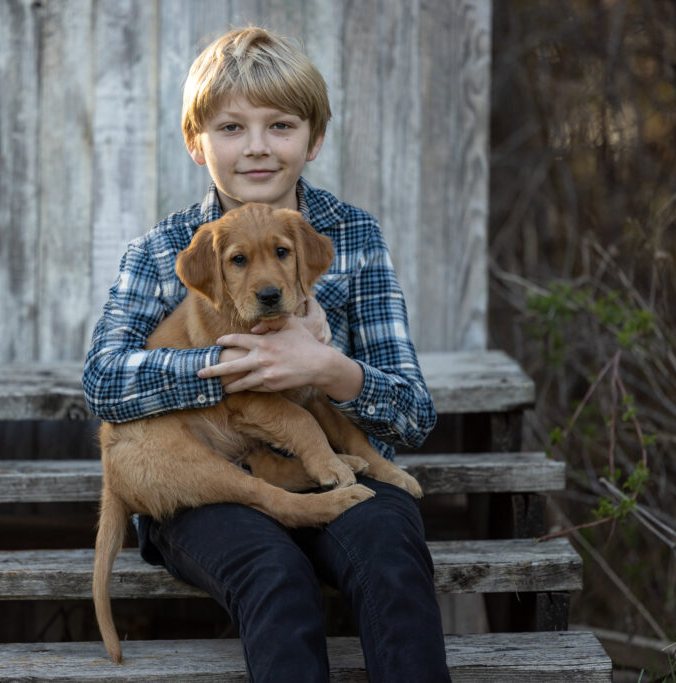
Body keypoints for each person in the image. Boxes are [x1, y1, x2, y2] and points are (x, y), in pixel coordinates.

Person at [82, 26, 450, 682]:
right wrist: (233, 369)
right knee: (274, 574)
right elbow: (104, 383)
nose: (256, 146)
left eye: (280, 125)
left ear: (314, 138)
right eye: (231, 127)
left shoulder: (352, 235)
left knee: (391, 552)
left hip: (334, 467)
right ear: (197, 142)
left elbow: (413, 414)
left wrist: (329, 369)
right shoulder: (163, 248)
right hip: (204, 489)